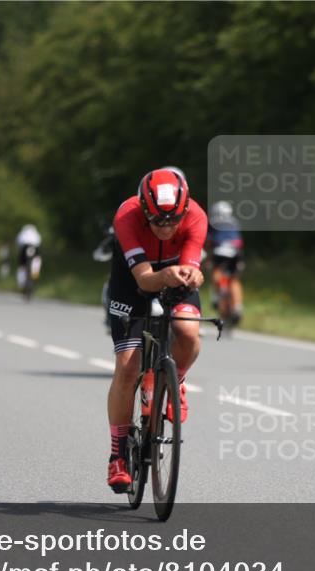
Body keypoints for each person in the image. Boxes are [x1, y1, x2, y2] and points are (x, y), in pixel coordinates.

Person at [105, 168, 207, 492]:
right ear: (144, 211)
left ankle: (174, 380)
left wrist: (193, 275)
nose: (165, 229)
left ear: (184, 210)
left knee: (189, 332)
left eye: (172, 221)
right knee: (127, 367)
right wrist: (168, 275)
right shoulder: (127, 215)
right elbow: (145, 280)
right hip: (132, 282)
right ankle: (118, 455)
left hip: (174, 275)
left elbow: (193, 269)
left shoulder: (196, 217)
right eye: (157, 222)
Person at [207, 200, 245, 325]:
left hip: (219, 252)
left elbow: (210, 242)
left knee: (216, 272)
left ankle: (217, 296)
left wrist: (208, 259)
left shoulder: (213, 222)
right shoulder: (234, 222)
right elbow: (239, 241)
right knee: (234, 279)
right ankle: (238, 306)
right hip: (235, 253)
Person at [15, 224, 43, 295]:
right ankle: (35, 275)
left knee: (21, 266)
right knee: (36, 262)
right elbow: (39, 243)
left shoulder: (22, 233)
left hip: (25, 249)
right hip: (34, 249)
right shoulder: (36, 234)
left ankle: (22, 283)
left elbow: (18, 243)